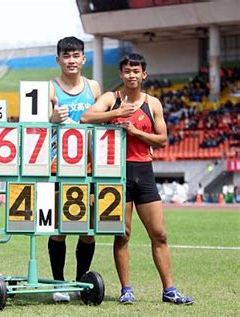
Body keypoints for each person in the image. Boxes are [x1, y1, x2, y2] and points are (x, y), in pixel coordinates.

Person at [82, 53, 194, 305]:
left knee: (160, 234)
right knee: (122, 234)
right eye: (127, 71)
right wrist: (117, 113)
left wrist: (134, 132)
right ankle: (126, 289)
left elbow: (162, 140)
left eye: (136, 71)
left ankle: (169, 290)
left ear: (144, 75)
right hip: (115, 173)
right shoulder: (112, 98)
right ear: (121, 74)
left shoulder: (152, 103)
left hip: (144, 173)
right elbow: (86, 118)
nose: (131, 75)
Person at [47, 36, 101, 302]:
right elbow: (33, 125)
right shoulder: (50, 89)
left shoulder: (93, 86)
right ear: (58, 59)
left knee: (88, 229)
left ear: (83, 59)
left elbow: (102, 121)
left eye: (76, 55)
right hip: (58, 166)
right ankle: (59, 284)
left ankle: (81, 282)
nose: (71, 60)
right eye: (66, 56)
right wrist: (51, 119)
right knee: (59, 228)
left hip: (89, 166)